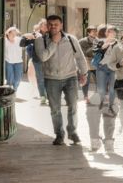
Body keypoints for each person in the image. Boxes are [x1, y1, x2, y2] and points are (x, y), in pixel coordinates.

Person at [34, 14, 88, 145]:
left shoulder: (71, 39)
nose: (53, 27)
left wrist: (84, 73)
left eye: (56, 24)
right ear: (47, 26)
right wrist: (54, 42)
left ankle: (73, 132)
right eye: (50, 24)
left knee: (73, 106)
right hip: (51, 79)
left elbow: (80, 57)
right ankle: (59, 134)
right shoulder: (41, 41)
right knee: (55, 109)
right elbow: (43, 57)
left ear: (61, 25)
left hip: (70, 77)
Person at [89, 26, 123, 153]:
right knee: (100, 89)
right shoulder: (99, 41)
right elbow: (94, 51)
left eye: (114, 32)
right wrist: (104, 46)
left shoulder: (118, 44)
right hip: (102, 67)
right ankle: (100, 103)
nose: (112, 34)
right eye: (110, 32)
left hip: (112, 68)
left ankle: (110, 105)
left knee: (111, 89)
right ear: (106, 33)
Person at [22, 20, 48, 104]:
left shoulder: (51, 35)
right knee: (40, 78)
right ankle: (43, 96)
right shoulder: (35, 35)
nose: (46, 26)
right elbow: (24, 45)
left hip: (48, 60)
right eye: (44, 25)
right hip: (37, 60)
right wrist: (25, 37)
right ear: (40, 26)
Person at [2, 27, 24, 92]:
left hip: (18, 62)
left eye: (15, 34)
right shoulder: (4, 41)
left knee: (17, 79)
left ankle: (14, 91)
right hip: (9, 62)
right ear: (8, 33)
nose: (14, 36)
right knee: (10, 79)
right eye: (12, 34)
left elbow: (26, 39)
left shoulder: (19, 40)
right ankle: (9, 93)